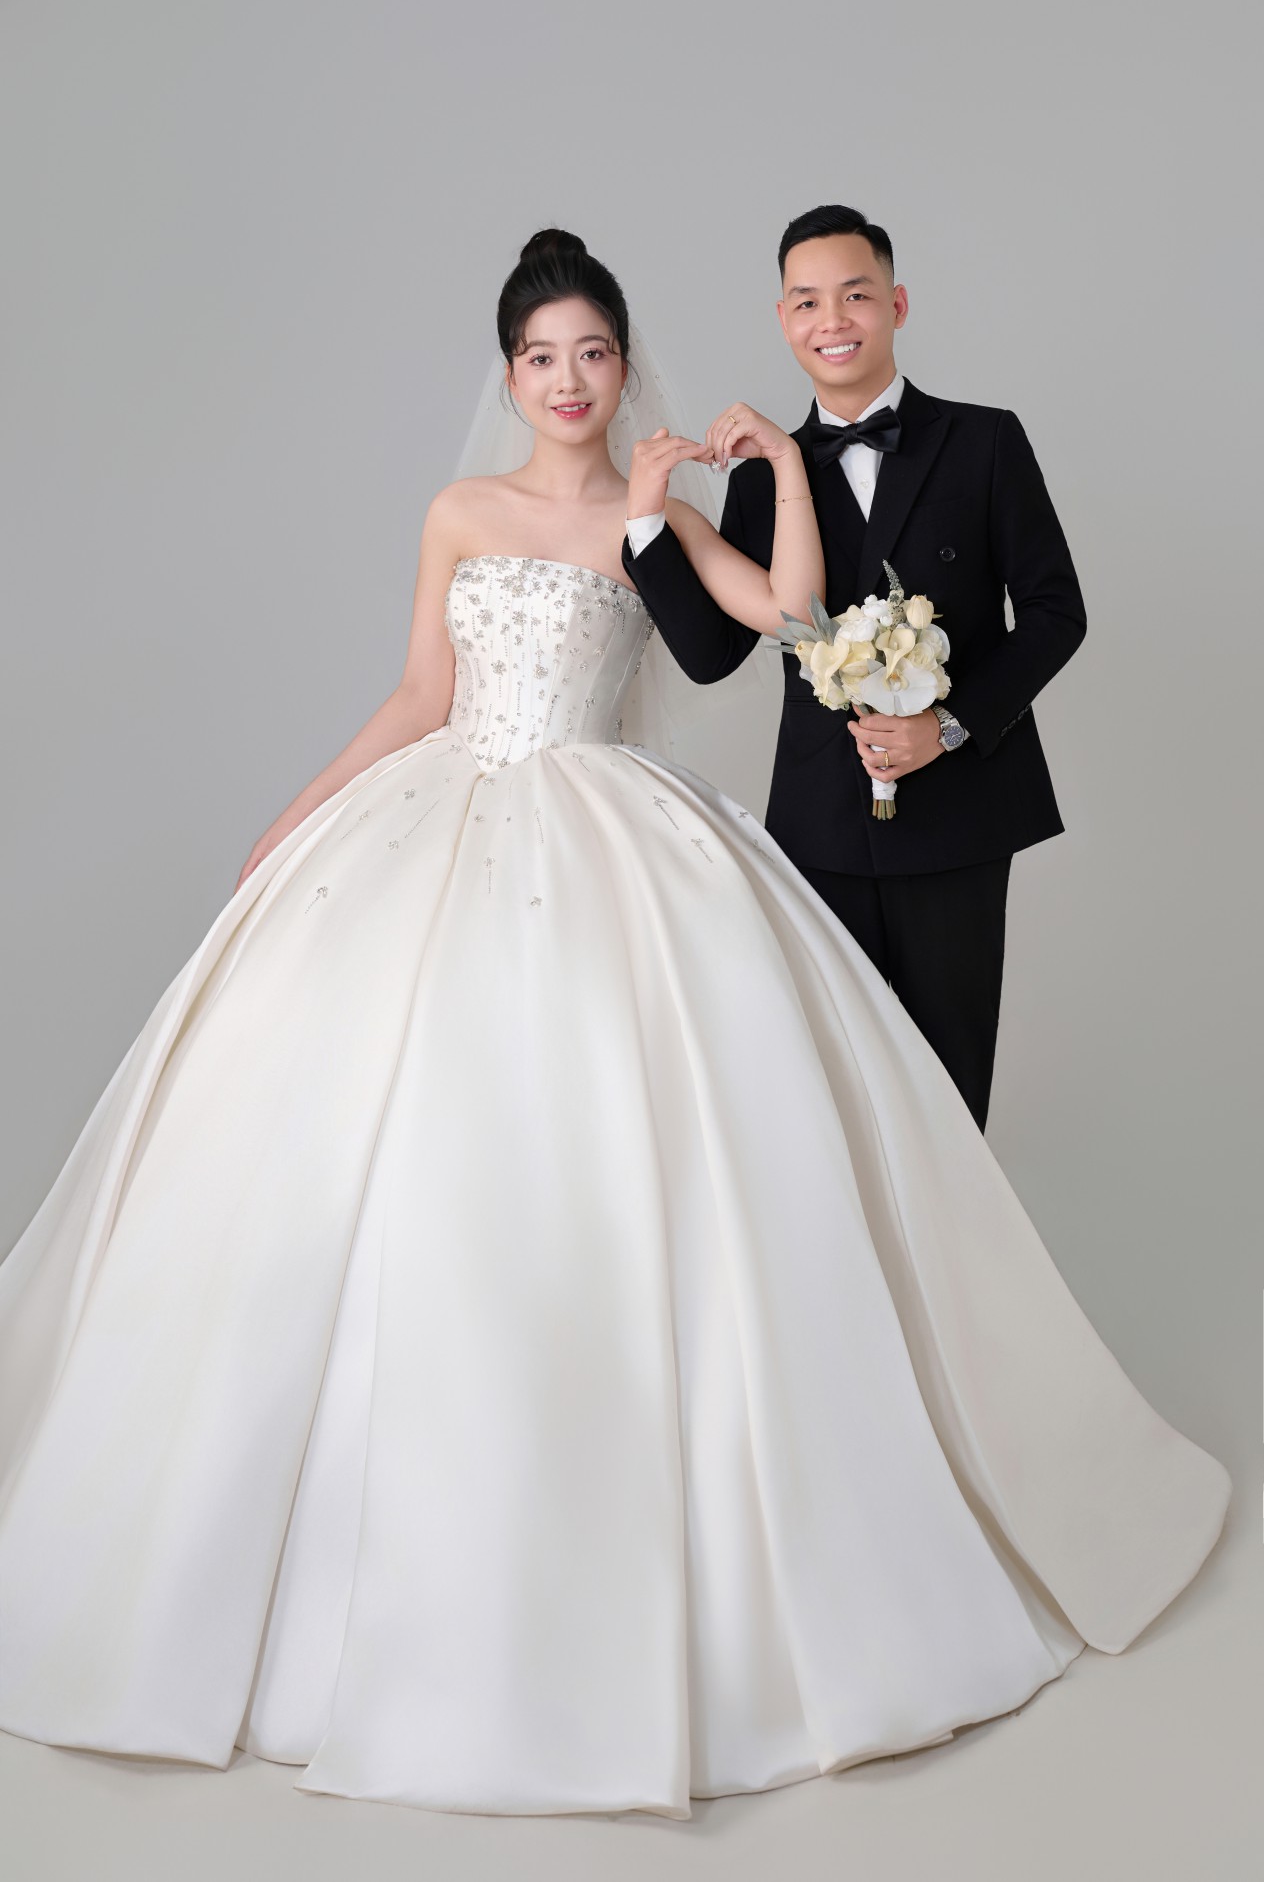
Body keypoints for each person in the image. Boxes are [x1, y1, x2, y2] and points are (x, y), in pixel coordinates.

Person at [0, 229, 1229, 1821]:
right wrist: (299, 813)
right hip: (440, 817)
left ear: (624, 364)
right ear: (509, 375)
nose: (569, 381)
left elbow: (788, 610)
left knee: (629, 1147)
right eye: (541, 358)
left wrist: (768, 470)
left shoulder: (659, 515)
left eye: (592, 353)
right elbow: (421, 694)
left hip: (606, 830)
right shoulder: (459, 511)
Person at [623, 203, 1087, 1131]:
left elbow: (1055, 614)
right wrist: (646, 525)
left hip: (959, 817)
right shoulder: (762, 474)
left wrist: (945, 728)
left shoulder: (985, 441)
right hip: (820, 830)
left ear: (897, 304)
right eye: (806, 302)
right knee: (832, 1106)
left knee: (948, 1098)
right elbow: (713, 655)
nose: (831, 320)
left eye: (855, 295)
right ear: (783, 320)